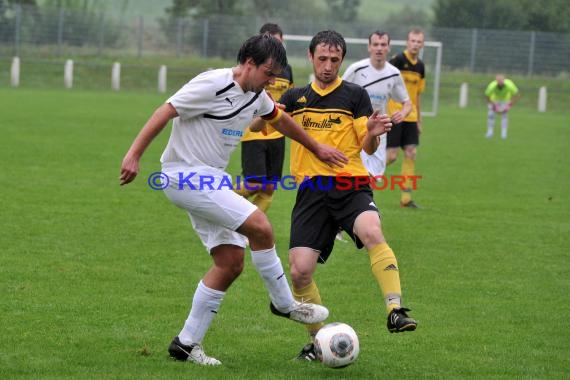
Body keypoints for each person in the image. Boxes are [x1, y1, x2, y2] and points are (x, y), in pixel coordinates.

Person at [119, 34, 349, 366]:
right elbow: (165, 111)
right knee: (261, 226)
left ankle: (185, 344)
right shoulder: (212, 83)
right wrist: (133, 155)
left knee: (230, 263)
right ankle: (284, 304)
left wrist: (317, 147)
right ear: (249, 63)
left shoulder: (257, 95)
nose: (272, 80)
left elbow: (280, 120)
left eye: (275, 75)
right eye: (268, 73)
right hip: (184, 174)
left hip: (211, 178)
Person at [276, 30, 418, 361]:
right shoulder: (296, 98)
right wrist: (264, 106)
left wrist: (371, 134)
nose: (327, 66)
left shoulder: (354, 95)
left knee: (372, 230)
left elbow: (367, 144)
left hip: (350, 184)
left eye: (334, 60)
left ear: (342, 60)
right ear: (311, 57)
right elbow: (259, 123)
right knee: (299, 272)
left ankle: (395, 310)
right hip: (311, 191)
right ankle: (316, 341)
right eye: (322, 59)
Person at [234, 23, 294, 213]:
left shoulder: (287, 69)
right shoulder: (253, 70)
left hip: (277, 134)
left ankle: (247, 228)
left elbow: (289, 97)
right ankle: (219, 201)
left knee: (269, 187)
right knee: (253, 184)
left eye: (280, 43)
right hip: (255, 131)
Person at [342, 30, 412, 180]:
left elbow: (407, 102)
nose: (379, 48)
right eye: (375, 44)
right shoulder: (356, 69)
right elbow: (338, 92)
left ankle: (362, 202)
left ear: (388, 47)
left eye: (383, 44)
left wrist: (403, 113)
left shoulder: (393, 73)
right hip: (355, 129)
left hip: (379, 131)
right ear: (369, 47)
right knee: (355, 175)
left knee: (373, 178)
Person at [387, 27, 426, 208]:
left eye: (419, 41)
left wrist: (419, 120)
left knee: (411, 153)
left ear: (422, 44)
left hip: (411, 117)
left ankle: (406, 198)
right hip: (395, 114)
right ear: (407, 42)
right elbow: (385, 83)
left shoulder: (420, 66)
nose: (415, 44)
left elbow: (417, 96)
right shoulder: (397, 60)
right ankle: (362, 181)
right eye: (413, 41)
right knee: (392, 156)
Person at [484, 74, 520, 139]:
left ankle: (504, 134)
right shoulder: (492, 85)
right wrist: (492, 105)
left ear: (504, 80)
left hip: (505, 101)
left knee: (504, 116)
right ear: (496, 81)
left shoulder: (509, 84)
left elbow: (517, 94)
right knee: (491, 116)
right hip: (494, 100)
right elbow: (487, 96)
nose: (500, 82)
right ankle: (490, 132)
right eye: (498, 81)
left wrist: (510, 104)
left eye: (501, 81)